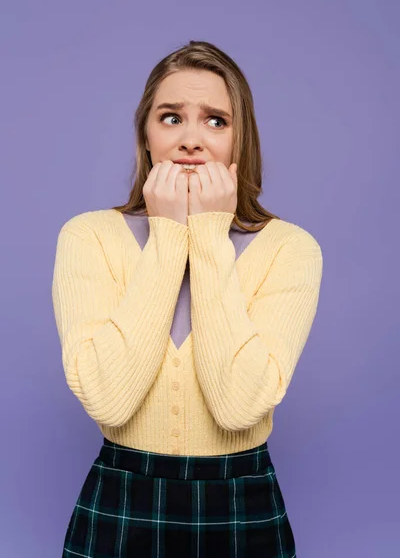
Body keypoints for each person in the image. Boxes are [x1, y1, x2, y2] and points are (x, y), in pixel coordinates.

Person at [52, 40, 323, 557]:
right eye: (171, 117)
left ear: (242, 139)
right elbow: (109, 399)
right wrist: (169, 234)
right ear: (146, 136)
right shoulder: (87, 237)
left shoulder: (291, 248)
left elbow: (238, 406)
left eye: (216, 121)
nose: (192, 140)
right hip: (122, 499)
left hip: (240, 500)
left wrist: (209, 233)